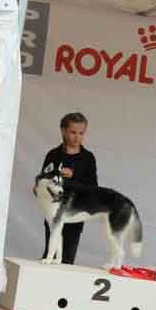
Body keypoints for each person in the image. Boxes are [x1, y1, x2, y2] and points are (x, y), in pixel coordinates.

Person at [39, 112, 98, 265]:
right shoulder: (53, 154)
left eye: (81, 133)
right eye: (73, 132)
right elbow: (43, 182)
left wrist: (72, 178)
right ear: (63, 131)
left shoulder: (88, 158)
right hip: (53, 213)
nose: (77, 137)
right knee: (49, 256)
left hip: (74, 215)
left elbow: (92, 189)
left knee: (67, 260)